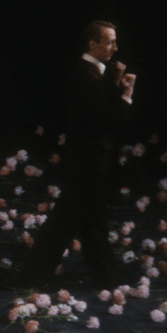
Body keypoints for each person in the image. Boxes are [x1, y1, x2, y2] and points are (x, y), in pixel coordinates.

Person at [21, 21, 137, 289]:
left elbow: (100, 108)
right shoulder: (86, 75)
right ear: (92, 44)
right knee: (66, 223)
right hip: (87, 163)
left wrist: (115, 83)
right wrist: (127, 94)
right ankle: (32, 275)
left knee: (93, 225)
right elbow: (106, 121)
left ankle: (107, 278)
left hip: (89, 161)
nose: (115, 47)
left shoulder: (92, 72)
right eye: (110, 42)